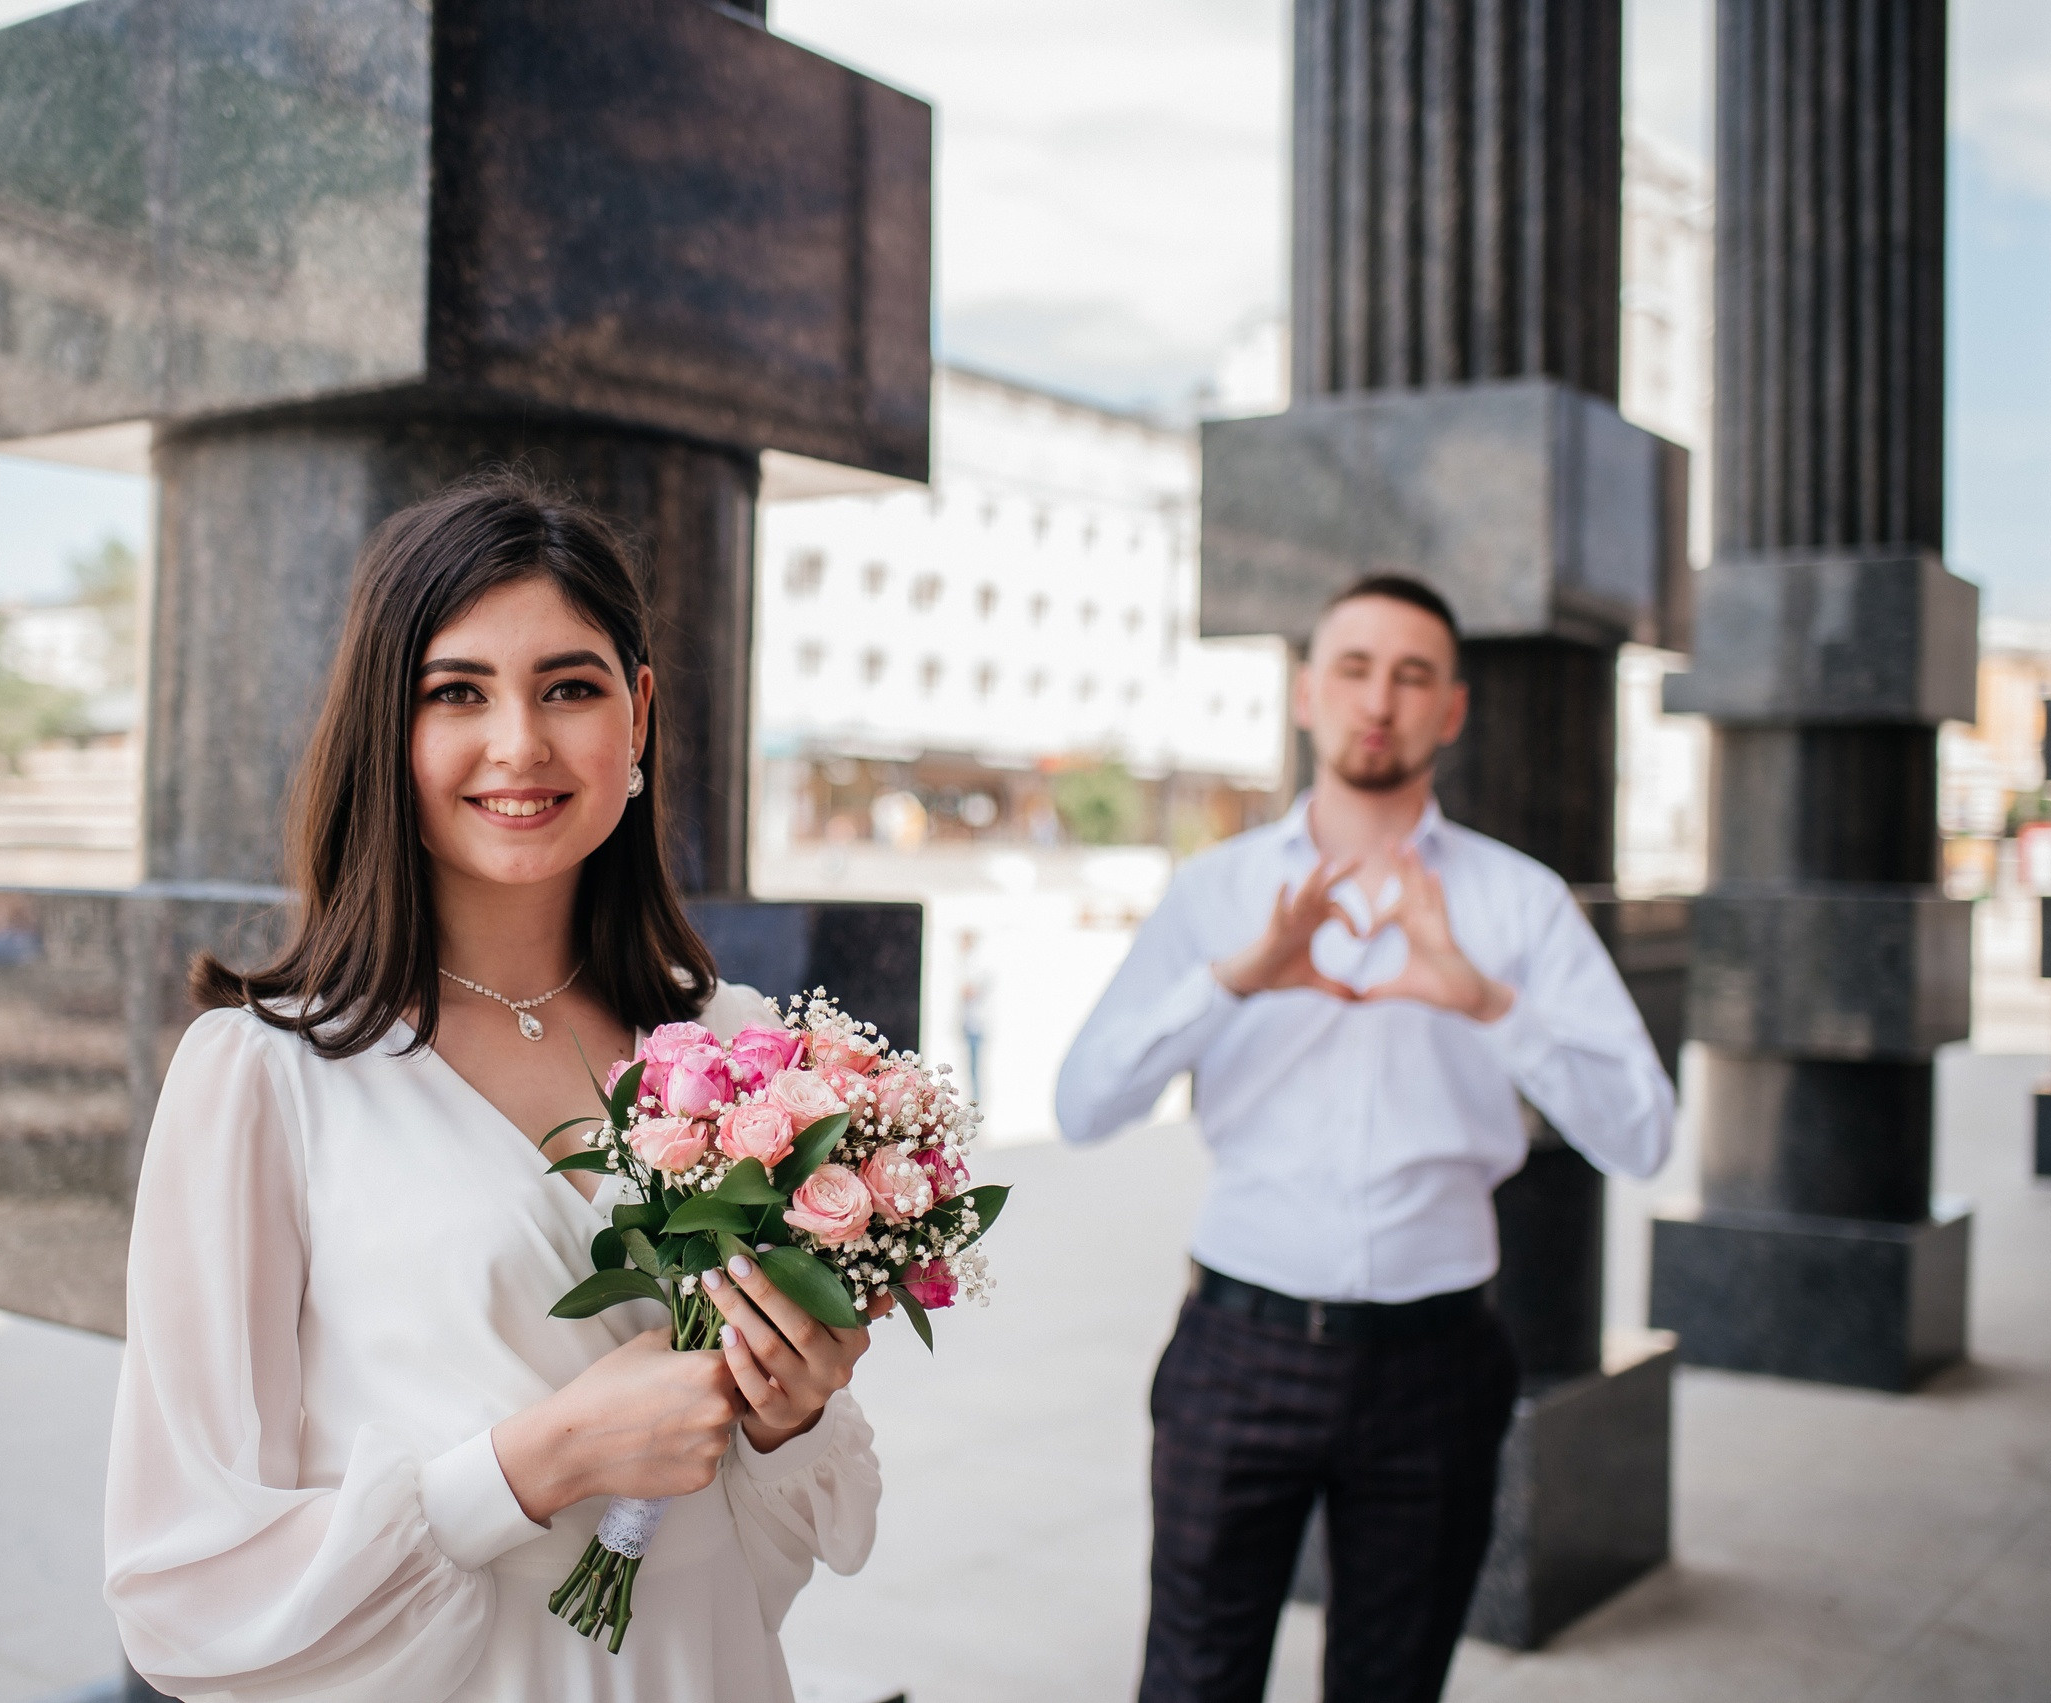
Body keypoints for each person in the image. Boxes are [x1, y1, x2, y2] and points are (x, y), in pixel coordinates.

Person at [103, 477, 882, 1701]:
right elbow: (182, 1581)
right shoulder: (264, 1074)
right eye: (455, 691)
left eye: (568, 687)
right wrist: (535, 1462)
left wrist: (788, 1413)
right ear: (385, 729)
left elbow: (770, 1551)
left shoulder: (736, 1047)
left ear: (638, 715)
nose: (519, 741)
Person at [1055, 575, 1675, 1703]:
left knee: (1392, 1682)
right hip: (1235, 1346)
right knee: (1192, 1676)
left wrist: (1488, 999)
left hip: (1437, 1360)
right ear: (1304, 692)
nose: (1378, 699)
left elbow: (1642, 1134)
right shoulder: (1217, 890)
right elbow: (1082, 1105)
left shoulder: (1520, 902)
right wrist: (1233, 979)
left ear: (1453, 709)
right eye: (1352, 666)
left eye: (1412, 673)